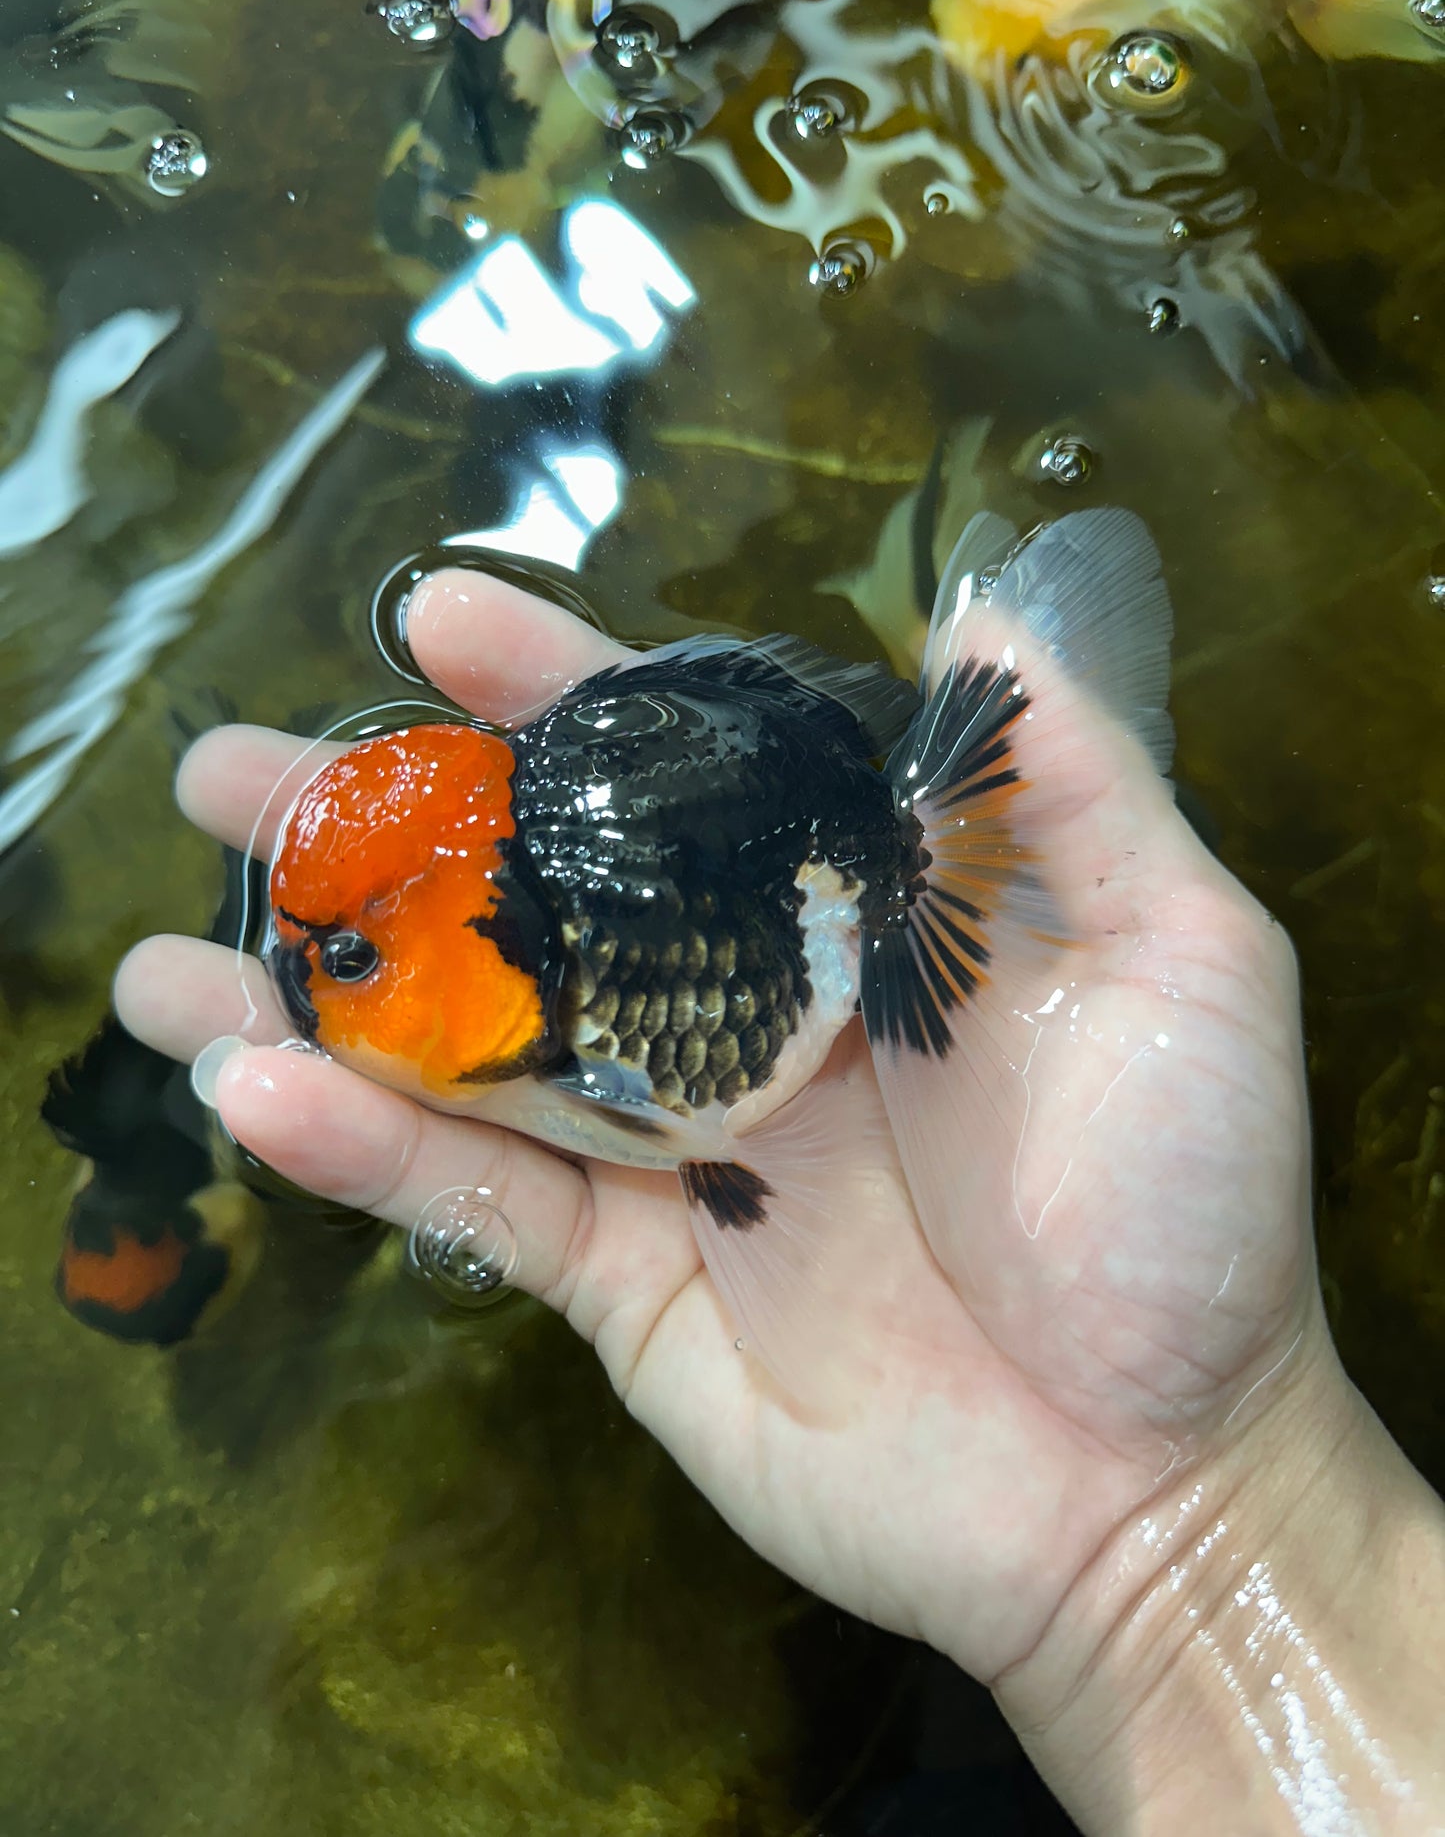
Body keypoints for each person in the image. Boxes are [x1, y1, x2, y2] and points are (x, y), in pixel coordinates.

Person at [115, 568, 1445, 1833]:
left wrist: (1195, 1498)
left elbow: (706, 1127)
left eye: (345, 961)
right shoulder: (510, 959)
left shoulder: (614, 1024)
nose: (303, 984)